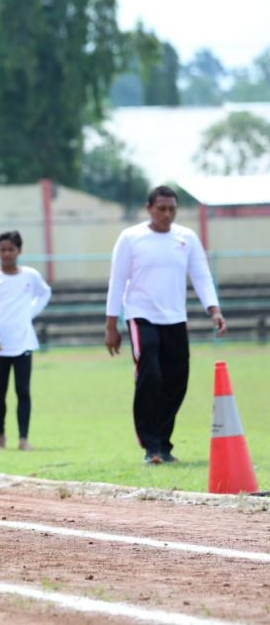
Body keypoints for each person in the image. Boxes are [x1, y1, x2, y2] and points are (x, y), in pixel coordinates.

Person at [105, 185, 226, 465]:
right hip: (140, 315)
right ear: (149, 208)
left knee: (176, 382)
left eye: (172, 209)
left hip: (175, 318)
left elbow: (202, 276)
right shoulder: (131, 238)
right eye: (161, 208)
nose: (167, 214)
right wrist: (111, 325)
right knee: (150, 375)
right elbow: (117, 281)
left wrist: (214, 310)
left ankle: (164, 444)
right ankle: (151, 446)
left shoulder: (186, 238)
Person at [0, 231, 51, 451]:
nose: (7, 254)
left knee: (23, 391)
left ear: (19, 250)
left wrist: (29, 313)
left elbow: (44, 293)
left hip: (23, 342)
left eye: (11, 249)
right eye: (3, 250)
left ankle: (23, 438)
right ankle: (0, 436)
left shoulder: (29, 275)